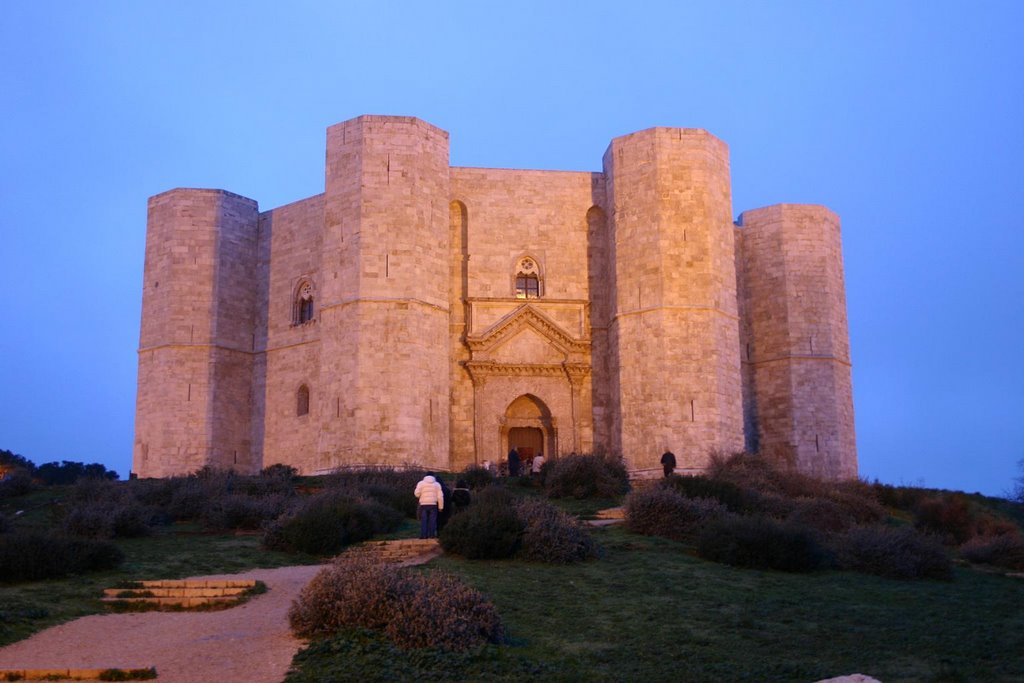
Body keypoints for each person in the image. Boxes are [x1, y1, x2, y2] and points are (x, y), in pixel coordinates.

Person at [414, 472, 444, 539]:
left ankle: (423, 535)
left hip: (423, 504)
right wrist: (440, 507)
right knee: (433, 520)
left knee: (424, 520)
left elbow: (417, 494)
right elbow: (440, 496)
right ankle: (432, 535)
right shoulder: (437, 484)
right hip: (433, 504)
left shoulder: (420, 483)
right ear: (433, 476)